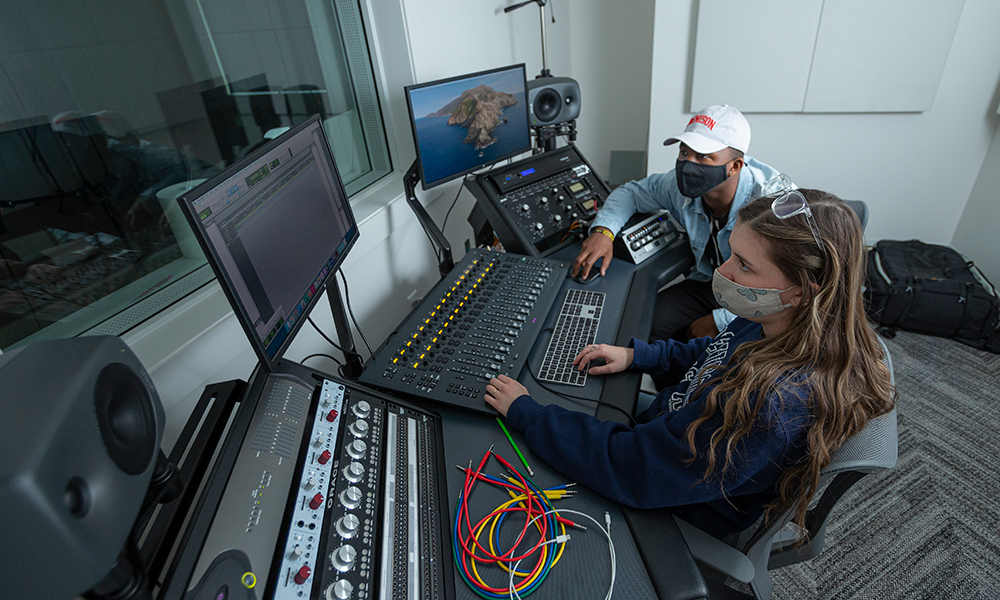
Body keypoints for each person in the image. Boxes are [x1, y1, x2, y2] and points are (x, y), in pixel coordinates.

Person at [485, 189, 896, 539]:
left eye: (745, 265)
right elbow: (714, 356)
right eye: (732, 253)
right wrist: (638, 356)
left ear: (804, 291)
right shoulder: (778, 320)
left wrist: (528, 414)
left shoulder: (769, 404)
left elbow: (635, 469)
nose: (723, 271)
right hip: (672, 445)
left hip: (677, 502)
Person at [572, 105, 782, 345]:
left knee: (720, 351)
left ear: (734, 166)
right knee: (644, 326)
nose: (688, 164)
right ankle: (675, 383)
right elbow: (631, 192)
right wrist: (603, 232)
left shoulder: (772, 206)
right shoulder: (676, 185)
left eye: (703, 156)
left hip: (758, 299)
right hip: (710, 282)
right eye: (684, 153)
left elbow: (786, 290)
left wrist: (720, 320)